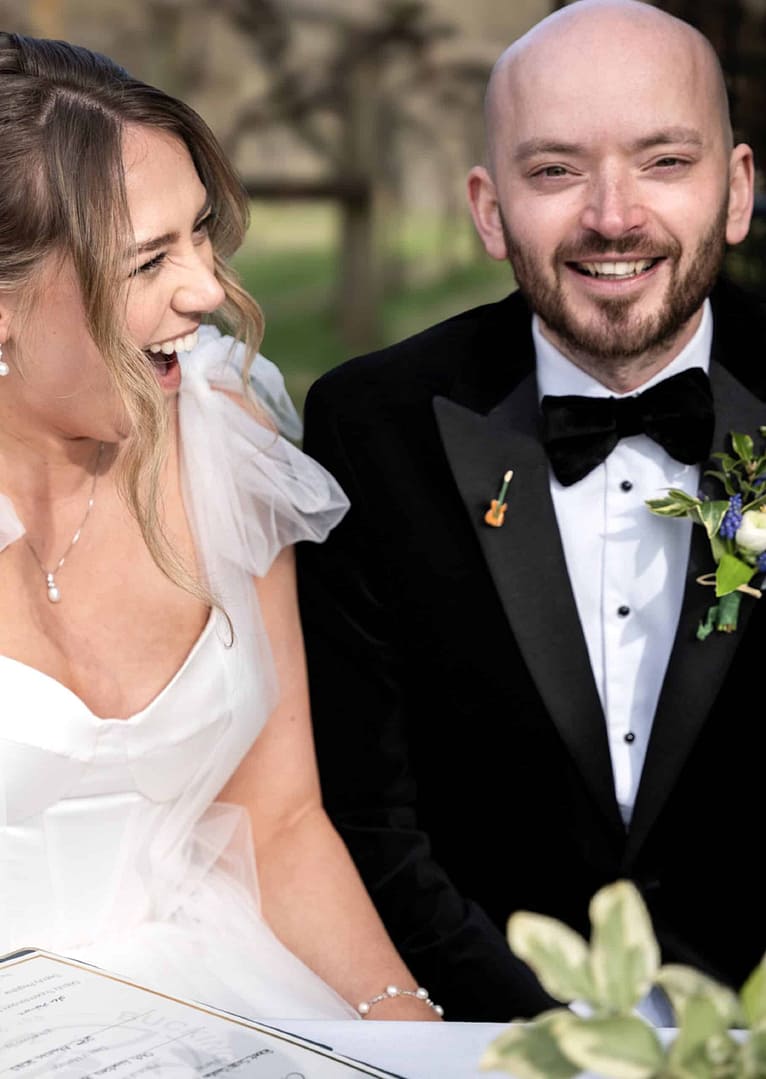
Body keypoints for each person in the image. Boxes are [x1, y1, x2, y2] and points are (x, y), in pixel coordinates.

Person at [297, 0, 766, 1024]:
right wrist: (546, 1047)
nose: (613, 215)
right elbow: (368, 813)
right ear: (488, 208)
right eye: (555, 170)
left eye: (664, 162)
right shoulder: (369, 427)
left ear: (736, 190)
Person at [0, 30, 445, 1024]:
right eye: (149, 259)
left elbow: (281, 822)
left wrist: (415, 1037)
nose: (206, 290)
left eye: (200, 234)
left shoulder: (222, 432)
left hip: (214, 990)